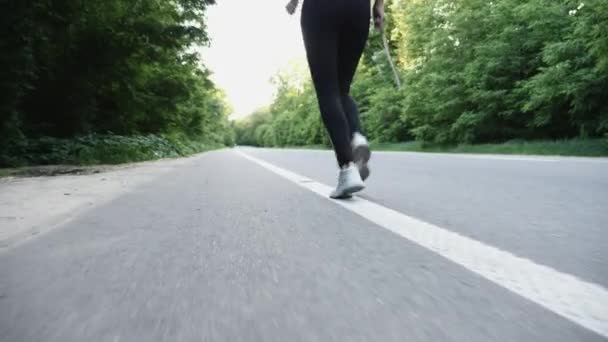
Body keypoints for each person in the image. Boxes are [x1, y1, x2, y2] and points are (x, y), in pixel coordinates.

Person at [286, 0, 385, 199]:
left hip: (321, 8)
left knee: (328, 90)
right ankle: (356, 136)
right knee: (341, 89)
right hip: (357, 9)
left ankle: (348, 170)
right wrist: (379, 6)